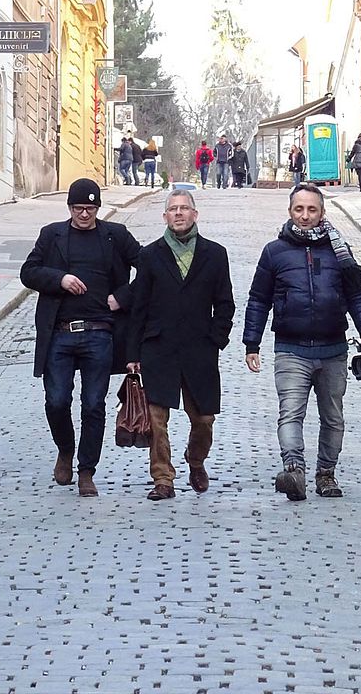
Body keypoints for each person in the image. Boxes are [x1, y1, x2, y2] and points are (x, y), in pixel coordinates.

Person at [243, 183, 361, 501]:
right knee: (290, 413)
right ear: (290, 212)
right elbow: (259, 299)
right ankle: (294, 470)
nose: (305, 216)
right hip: (291, 348)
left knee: (333, 417)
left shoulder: (339, 251)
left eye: (311, 209)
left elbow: (357, 293)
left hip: (333, 348)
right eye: (299, 209)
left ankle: (326, 474)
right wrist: (252, 343)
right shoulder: (274, 252)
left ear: (322, 212)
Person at [20, 178, 141, 497]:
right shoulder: (52, 235)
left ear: (98, 209)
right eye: (78, 208)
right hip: (59, 334)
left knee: (93, 406)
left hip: (100, 334)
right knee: (56, 401)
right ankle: (65, 449)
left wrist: (123, 297)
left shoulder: (115, 236)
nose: (84, 214)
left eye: (89, 208)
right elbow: (28, 272)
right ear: (69, 208)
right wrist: (60, 278)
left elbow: (150, 270)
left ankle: (87, 470)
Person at [126, 191, 235, 501]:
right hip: (159, 348)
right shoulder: (150, 255)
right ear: (164, 217)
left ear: (195, 215)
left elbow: (225, 303)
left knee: (203, 419)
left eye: (184, 208)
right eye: (172, 209)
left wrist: (217, 337)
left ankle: (196, 459)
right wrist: (132, 353)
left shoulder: (215, 254)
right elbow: (139, 307)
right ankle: (163, 478)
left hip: (200, 350)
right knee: (156, 420)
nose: (178, 213)